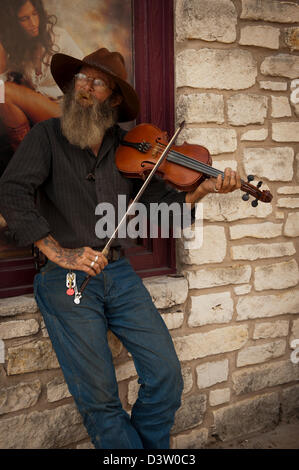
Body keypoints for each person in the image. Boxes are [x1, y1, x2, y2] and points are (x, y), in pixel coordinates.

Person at [0, 47, 241, 449]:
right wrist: (62, 254)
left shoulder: (129, 148)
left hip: (119, 274)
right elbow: (11, 191)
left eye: (97, 82)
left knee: (166, 376)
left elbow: (157, 213)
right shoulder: (46, 137)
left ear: (113, 98)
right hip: (67, 281)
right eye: (80, 79)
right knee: (100, 402)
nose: (83, 88)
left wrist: (201, 190)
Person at [0, 0, 83, 152]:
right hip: (40, 113)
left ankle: (26, 157)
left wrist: (42, 96)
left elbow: (85, 78)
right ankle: (29, 158)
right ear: (14, 24)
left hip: (69, 113)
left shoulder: (59, 37)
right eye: (24, 19)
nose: (33, 22)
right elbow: (2, 80)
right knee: (1, 93)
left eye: (35, 14)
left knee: (3, 91)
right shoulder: (18, 48)